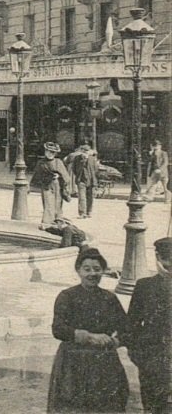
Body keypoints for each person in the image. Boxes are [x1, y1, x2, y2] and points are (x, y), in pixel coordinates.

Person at [47, 247, 129, 412]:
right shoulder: (67, 296)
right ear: (78, 271)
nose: (92, 274)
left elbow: (126, 328)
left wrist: (114, 341)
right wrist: (88, 336)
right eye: (87, 269)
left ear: (103, 271)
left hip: (104, 361)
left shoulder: (109, 298)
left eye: (97, 269)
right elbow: (58, 329)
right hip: (73, 363)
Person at [124, 237, 172, 414]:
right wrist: (139, 357)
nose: (169, 266)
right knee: (152, 407)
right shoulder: (144, 286)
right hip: (152, 363)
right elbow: (131, 325)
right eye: (166, 260)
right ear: (158, 257)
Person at [31, 142, 72, 227]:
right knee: (48, 202)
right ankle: (47, 221)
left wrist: (59, 176)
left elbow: (66, 176)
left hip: (57, 185)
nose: (50, 154)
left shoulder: (58, 162)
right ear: (45, 152)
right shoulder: (41, 163)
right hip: (46, 185)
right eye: (48, 152)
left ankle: (58, 219)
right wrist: (33, 185)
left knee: (57, 202)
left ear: (55, 154)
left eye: (52, 152)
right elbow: (36, 175)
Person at [69, 144, 100, 219]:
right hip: (81, 180)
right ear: (81, 151)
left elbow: (96, 170)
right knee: (82, 197)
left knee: (90, 197)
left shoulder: (92, 159)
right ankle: (82, 213)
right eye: (83, 151)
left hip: (90, 180)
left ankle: (89, 211)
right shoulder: (77, 158)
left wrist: (93, 178)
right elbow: (74, 168)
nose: (85, 153)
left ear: (89, 152)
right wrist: (78, 175)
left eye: (86, 151)